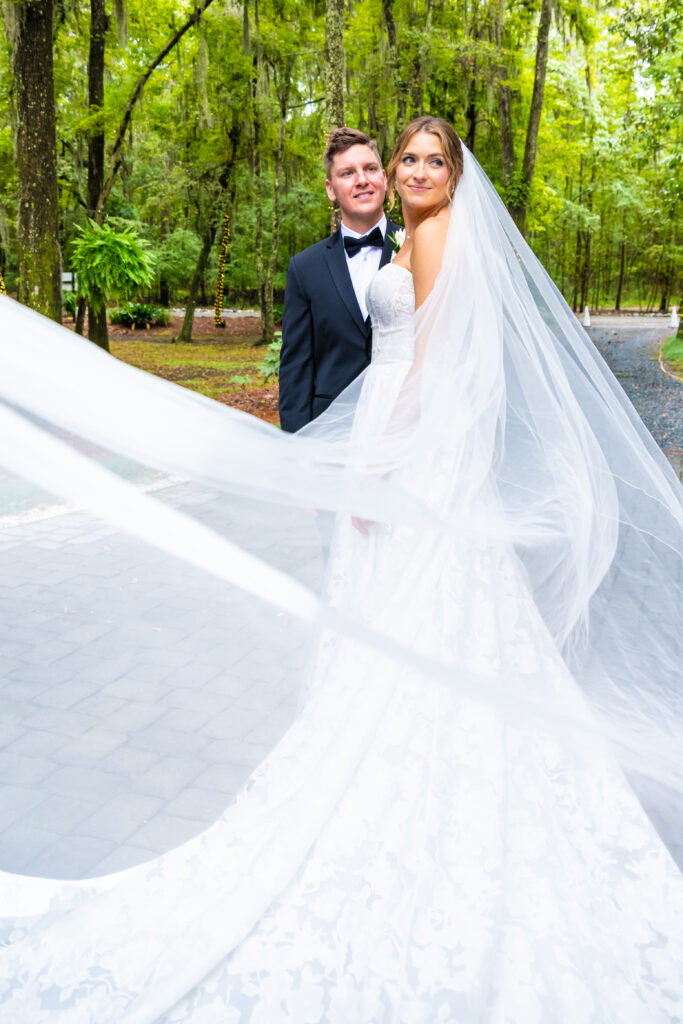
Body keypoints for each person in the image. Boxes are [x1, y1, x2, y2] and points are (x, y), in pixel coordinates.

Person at [0, 117, 682, 1021]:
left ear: (447, 175)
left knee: (434, 606)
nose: (405, 172)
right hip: (374, 438)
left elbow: (436, 364)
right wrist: (318, 468)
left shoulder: (435, 237)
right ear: (348, 182)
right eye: (401, 160)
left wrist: (387, 465)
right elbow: (304, 374)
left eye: (424, 160)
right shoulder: (346, 257)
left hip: (409, 448)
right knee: (386, 611)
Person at [279, 127, 402, 432]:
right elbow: (296, 370)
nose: (362, 179)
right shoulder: (304, 267)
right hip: (330, 436)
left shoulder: (418, 246)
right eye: (348, 173)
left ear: (384, 178)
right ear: (331, 189)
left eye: (370, 169)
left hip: (404, 429)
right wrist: (296, 450)